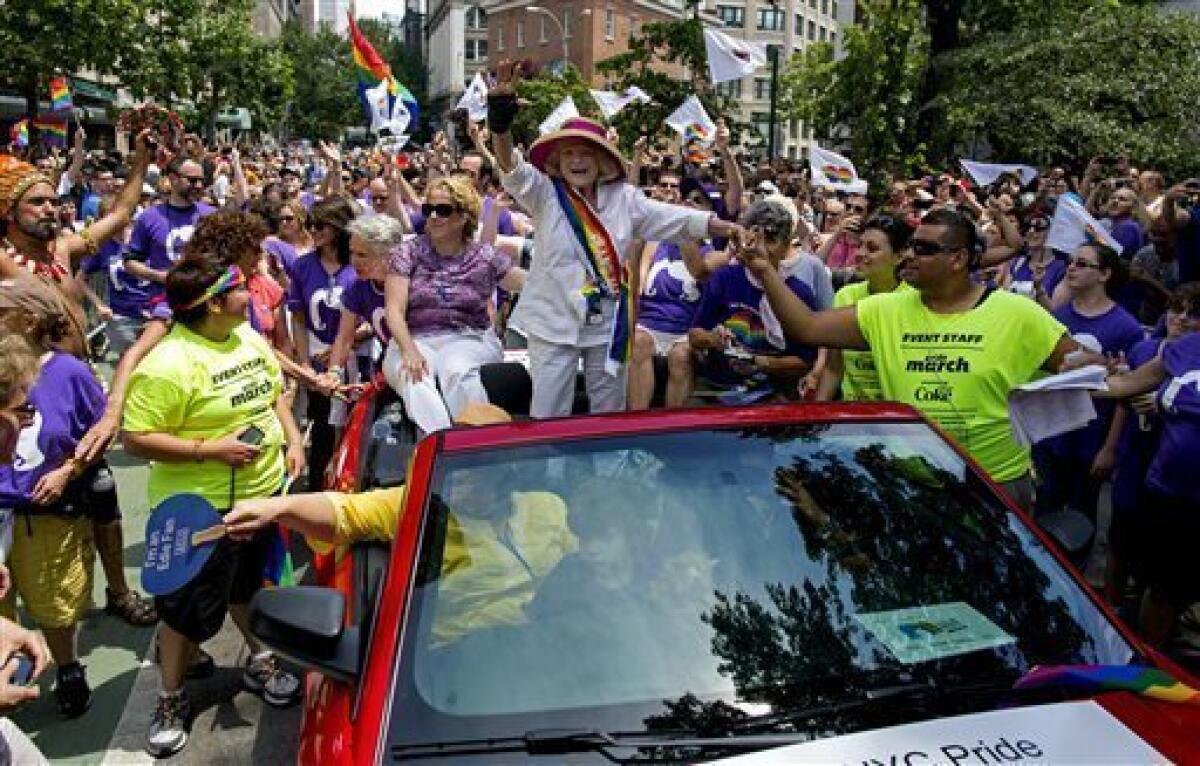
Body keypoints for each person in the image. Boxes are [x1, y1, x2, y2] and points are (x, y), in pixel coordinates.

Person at [746, 208, 1086, 507]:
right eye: (911, 246)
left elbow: (1084, 368)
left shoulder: (1018, 314)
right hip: (912, 484)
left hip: (996, 485)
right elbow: (806, 327)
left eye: (924, 249)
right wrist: (765, 271)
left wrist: (1108, 371)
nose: (910, 256)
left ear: (959, 259)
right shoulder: (883, 312)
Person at [121, 259, 305, 757]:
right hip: (198, 513)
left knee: (246, 584)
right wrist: (209, 449)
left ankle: (260, 658)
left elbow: (271, 397)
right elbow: (134, 437)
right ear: (213, 304)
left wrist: (291, 440)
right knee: (180, 610)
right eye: (241, 288)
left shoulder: (246, 337)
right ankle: (171, 696)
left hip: (259, 493)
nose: (252, 293)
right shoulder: (166, 366)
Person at [487, 61, 742, 417]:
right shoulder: (544, 192)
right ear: (558, 161)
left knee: (608, 413)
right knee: (548, 414)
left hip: (608, 325)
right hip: (552, 323)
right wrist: (499, 121)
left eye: (587, 152)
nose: (578, 160)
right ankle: (552, 472)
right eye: (570, 153)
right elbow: (510, 168)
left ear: (603, 159)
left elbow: (674, 217)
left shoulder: (624, 198)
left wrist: (726, 227)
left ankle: (604, 473)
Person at [0, 279, 125, 717]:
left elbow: (101, 430)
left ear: (28, 321)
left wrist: (68, 470)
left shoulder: (68, 372)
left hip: (45, 515)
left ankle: (68, 666)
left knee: (54, 600)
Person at [383, 176, 525, 431]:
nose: (434, 216)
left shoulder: (485, 257)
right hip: (414, 338)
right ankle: (442, 444)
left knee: (457, 372)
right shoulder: (406, 253)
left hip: (470, 338)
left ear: (463, 217)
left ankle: (476, 444)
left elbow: (528, 283)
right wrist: (408, 350)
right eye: (429, 210)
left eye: (444, 210)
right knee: (415, 379)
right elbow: (394, 310)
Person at [1097, 320, 1200, 651]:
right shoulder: (1185, 348)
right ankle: (1151, 663)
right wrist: (1063, 382)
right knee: (1161, 587)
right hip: (1170, 495)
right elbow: (1121, 386)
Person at [1032, 244, 1143, 538]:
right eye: (1070, 262)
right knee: (1043, 512)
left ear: (1105, 274)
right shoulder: (1060, 315)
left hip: (1090, 439)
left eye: (1082, 263)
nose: (1071, 268)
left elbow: (1127, 395)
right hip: (1051, 433)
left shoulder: (1127, 327)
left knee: (1082, 516)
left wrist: (1109, 449)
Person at [687, 199, 818, 402]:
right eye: (755, 239)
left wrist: (763, 363)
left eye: (771, 240)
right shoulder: (724, 278)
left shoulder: (798, 293)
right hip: (720, 387)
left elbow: (805, 361)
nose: (762, 248)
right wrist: (713, 339)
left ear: (786, 246)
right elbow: (694, 336)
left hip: (774, 393)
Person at [288, 195, 359, 490]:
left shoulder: (357, 264)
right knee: (321, 427)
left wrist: (347, 342)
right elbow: (299, 319)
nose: (313, 231)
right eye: (310, 224)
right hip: (318, 359)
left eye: (321, 225)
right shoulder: (302, 266)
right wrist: (304, 361)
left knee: (353, 426)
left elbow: (370, 311)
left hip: (357, 358)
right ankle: (318, 489)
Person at [816, 214, 914, 402]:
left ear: (900, 256)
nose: (860, 253)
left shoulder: (915, 299)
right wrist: (815, 417)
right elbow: (833, 368)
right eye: (859, 245)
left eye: (872, 248)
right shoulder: (846, 296)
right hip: (853, 415)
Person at [120, 157, 216, 305]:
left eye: (201, 180)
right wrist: (159, 276)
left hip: (206, 301)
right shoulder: (149, 218)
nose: (198, 185)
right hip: (164, 303)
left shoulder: (212, 216)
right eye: (192, 180)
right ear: (173, 179)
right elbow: (130, 261)